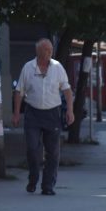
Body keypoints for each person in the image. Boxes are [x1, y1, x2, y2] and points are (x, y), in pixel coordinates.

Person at [12, 38, 74, 196]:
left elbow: (67, 90)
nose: (50, 52)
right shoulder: (28, 67)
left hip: (52, 113)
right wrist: (16, 113)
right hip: (33, 113)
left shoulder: (57, 67)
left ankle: (48, 186)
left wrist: (70, 110)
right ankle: (33, 178)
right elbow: (19, 91)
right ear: (38, 51)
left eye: (51, 50)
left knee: (53, 152)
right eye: (46, 50)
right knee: (32, 148)